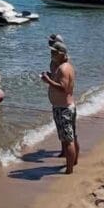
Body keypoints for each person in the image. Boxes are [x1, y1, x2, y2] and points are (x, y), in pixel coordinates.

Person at [41, 41, 78, 174]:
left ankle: (69, 169)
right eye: (51, 52)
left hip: (63, 109)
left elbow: (63, 88)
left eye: (54, 52)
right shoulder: (66, 66)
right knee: (71, 136)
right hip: (67, 106)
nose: (51, 54)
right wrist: (52, 77)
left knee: (68, 140)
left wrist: (48, 81)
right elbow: (64, 84)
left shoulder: (63, 68)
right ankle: (73, 162)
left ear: (61, 54)